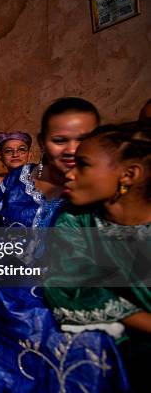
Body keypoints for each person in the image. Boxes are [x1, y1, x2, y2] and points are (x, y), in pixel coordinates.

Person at [0, 97, 129, 392]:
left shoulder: (98, 183)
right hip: (5, 275)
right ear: (43, 141)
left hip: (59, 287)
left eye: (83, 139)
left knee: (83, 338)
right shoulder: (18, 180)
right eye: (59, 140)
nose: (71, 149)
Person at [45, 121, 151, 392]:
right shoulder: (75, 221)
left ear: (129, 174)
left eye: (83, 164)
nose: (70, 174)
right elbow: (68, 282)